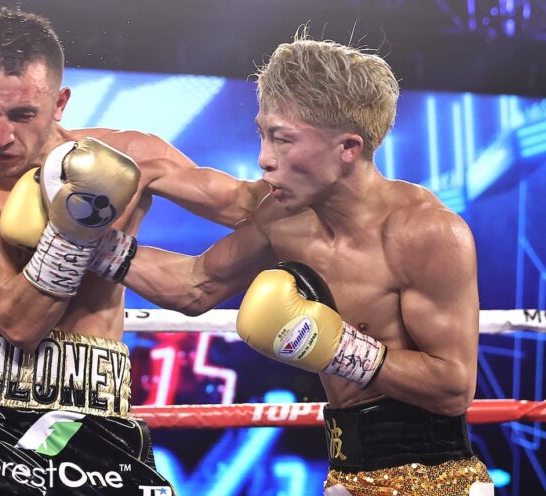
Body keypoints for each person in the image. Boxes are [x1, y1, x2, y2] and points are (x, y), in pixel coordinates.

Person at [0, 7, 267, 496]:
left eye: (22, 115)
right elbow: (20, 324)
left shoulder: (130, 157)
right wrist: (75, 231)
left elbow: (247, 206)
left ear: (59, 102)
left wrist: (323, 176)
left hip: (97, 420)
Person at [119, 34, 496, 495]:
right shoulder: (284, 217)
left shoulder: (427, 233)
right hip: (343, 473)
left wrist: (339, 349)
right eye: (262, 133)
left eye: (282, 138)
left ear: (348, 148)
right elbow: (196, 285)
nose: (263, 159)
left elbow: (454, 387)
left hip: (440, 482)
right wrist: (88, 246)